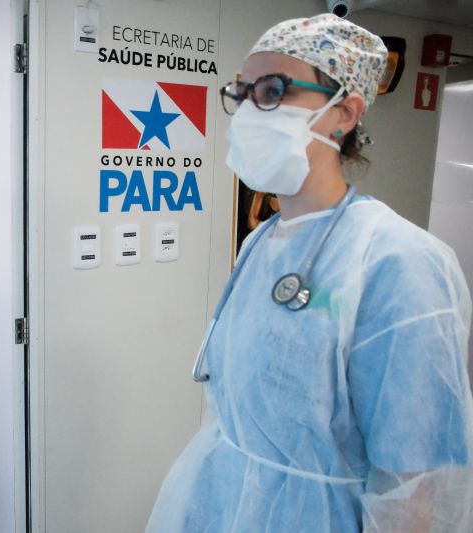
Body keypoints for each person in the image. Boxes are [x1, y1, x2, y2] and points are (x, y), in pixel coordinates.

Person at [147, 14, 473, 532]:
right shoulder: (261, 241)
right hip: (229, 503)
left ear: (344, 112)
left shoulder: (398, 261)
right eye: (244, 91)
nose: (252, 110)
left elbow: (418, 482)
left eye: (274, 90)